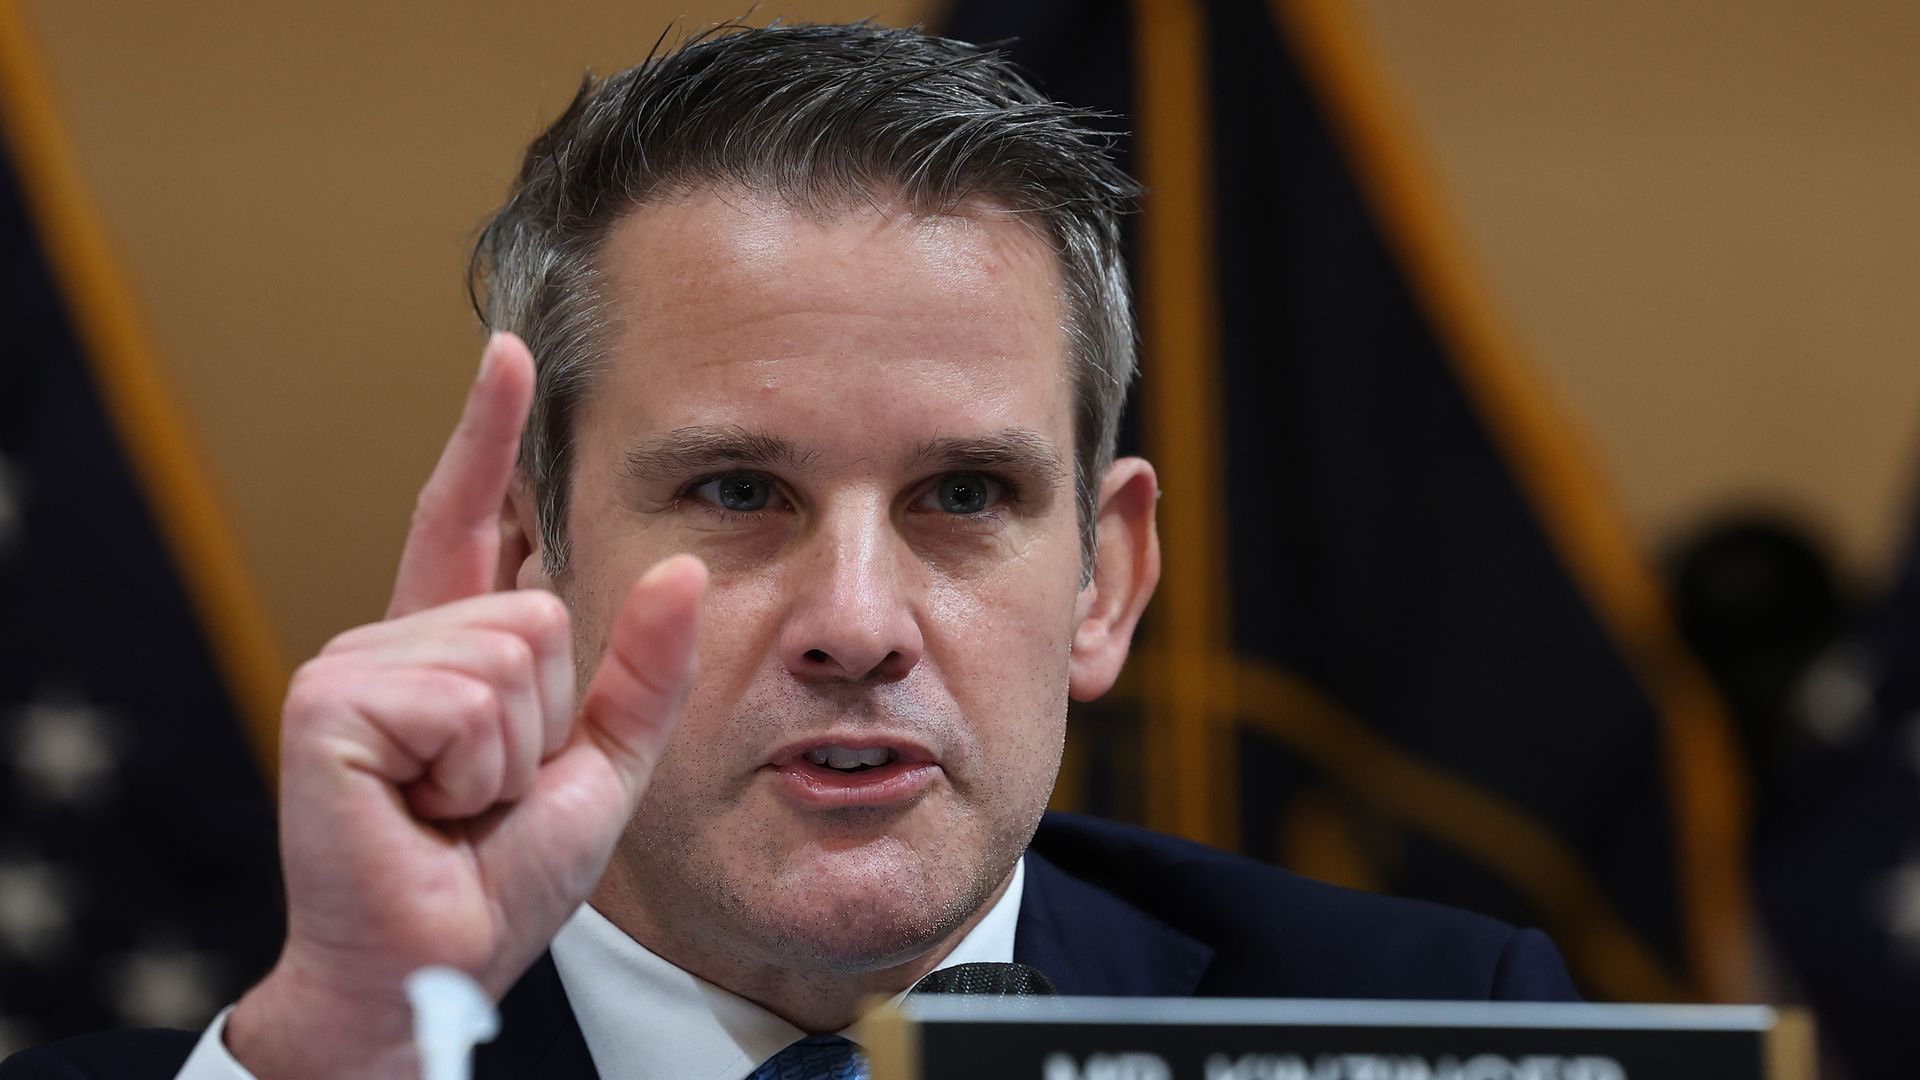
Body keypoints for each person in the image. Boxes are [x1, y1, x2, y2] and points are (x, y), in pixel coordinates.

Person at [2, 21, 1577, 1080]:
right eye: (740, 492)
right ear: (530, 560)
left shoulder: (1440, 1032)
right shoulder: (264, 1040)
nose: (857, 621)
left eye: (963, 497)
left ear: (1104, 581)